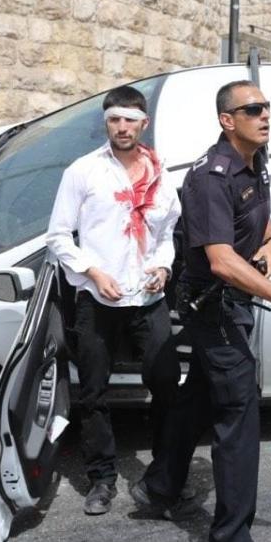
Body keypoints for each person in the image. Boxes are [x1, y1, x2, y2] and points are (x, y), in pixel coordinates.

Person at [130, 80, 271, 542]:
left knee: (198, 395)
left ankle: (158, 487)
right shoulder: (210, 179)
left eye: (267, 108)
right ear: (227, 120)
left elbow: (263, 230)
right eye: (253, 109)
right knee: (238, 419)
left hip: (233, 304)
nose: (265, 116)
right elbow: (221, 261)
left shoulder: (254, 161)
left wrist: (270, 252)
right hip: (213, 311)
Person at [46, 85, 182, 516]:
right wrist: (93, 271)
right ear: (106, 123)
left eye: (129, 120)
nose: (121, 128)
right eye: (113, 120)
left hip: (146, 297)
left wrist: (162, 267)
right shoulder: (83, 171)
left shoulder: (160, 175)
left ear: (144, 123)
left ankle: (165, 474)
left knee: (165, 386)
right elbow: (57, 237)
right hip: (97, 299)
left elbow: (166, 234)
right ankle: (101, 479)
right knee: (93, 393)